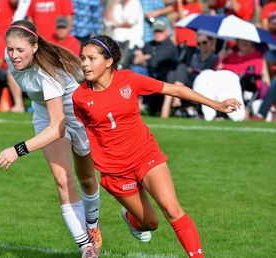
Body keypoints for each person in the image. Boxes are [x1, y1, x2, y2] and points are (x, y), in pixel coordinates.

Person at [72, 35, 242, 258]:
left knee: (172, 210)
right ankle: (131, 218)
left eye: (91, 58)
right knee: (149, 224)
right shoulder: (79, 97)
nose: (84, 63)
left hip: (145, 154)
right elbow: (83, 135)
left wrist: (215, 104)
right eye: (82, 58)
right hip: (115, 171)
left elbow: (175, 90)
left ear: (109, 61)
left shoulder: (130, 80)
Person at [0, 20, 101, 258]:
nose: (13, 55)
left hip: (74, 114)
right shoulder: (11, 54)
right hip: (45, 114)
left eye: (20, 50)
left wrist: (17, 150)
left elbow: (57, 128)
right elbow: (51, 123)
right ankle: (87, 247)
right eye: (10, 49)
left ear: (34, 46)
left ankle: (93, 225)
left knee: (87, 178)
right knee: (63, 180)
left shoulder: (46, 72)